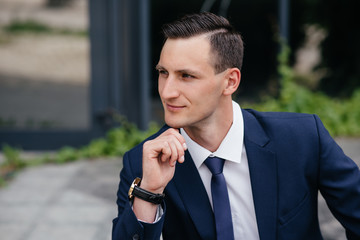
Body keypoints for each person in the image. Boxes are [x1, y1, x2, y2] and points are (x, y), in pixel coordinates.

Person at [112, 12, 360, 240]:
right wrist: (149, 193)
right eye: (163, 72)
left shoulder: (302, 139)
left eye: (186, 76)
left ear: (230, 81)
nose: (167, 91)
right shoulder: (142, 163)